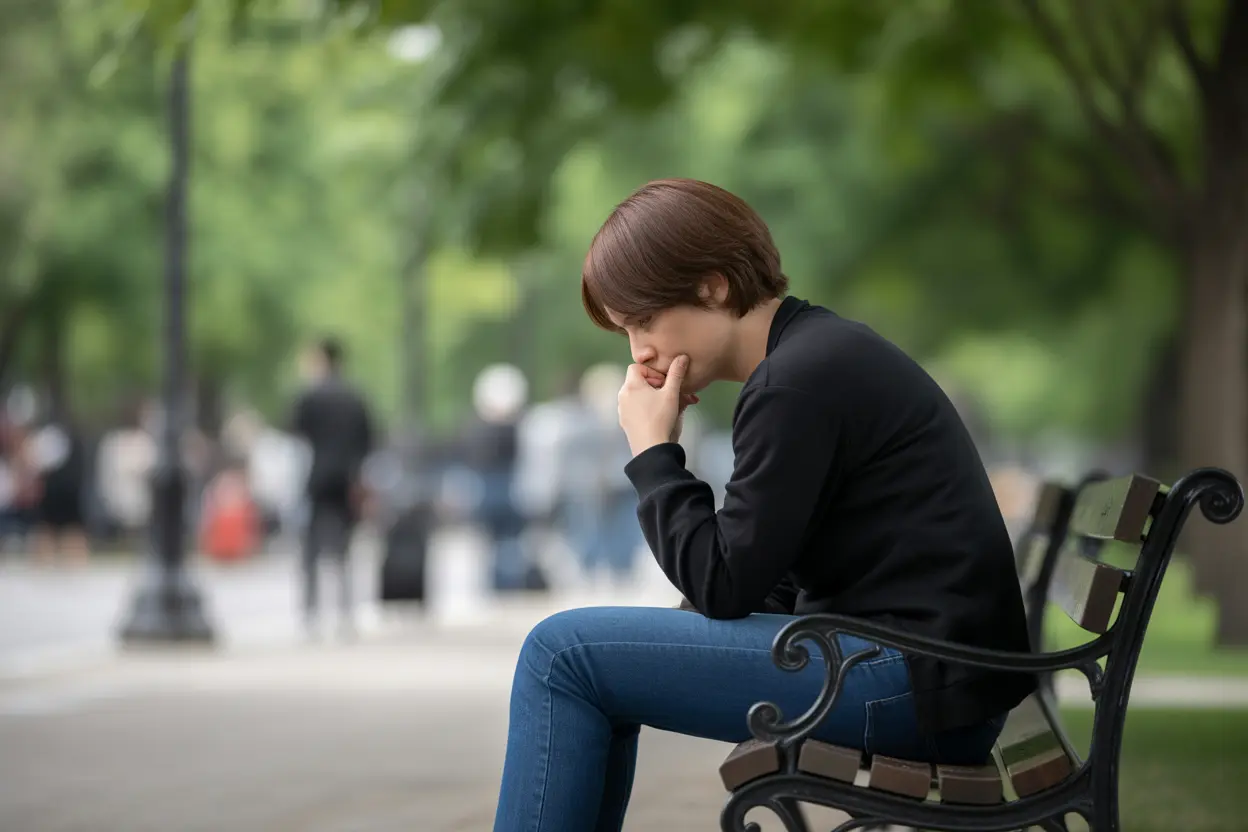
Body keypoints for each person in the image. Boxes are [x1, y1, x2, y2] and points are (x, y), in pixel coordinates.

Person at [491, 179, 1036, 831]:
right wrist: (666, 641)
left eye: (643, 319)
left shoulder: (796, 382)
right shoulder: (809, 361)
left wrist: (652, 451)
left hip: (903, 685)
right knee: (589, 656)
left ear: (713, 285)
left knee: (561, 654)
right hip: (928, 682)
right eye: (624, 330)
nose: (638, 351)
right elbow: (764, 578)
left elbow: (726, 583)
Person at [291, 336, 375, 637]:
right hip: (348, 480)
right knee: (344, 550)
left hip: (317, 477)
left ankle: (311, 614)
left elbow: (295, 432)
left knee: (311, 549)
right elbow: (370, 439)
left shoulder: (311, 395)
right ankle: (344, 613)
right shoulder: (355, 397)